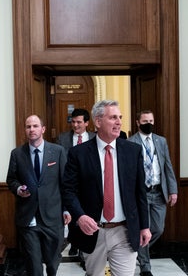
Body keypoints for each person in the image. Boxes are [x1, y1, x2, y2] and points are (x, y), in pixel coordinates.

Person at [62, 99, 151, 276]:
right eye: (113, 117)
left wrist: (144, 226)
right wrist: (79, 216)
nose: (119, 122)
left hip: (124, 230)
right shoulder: (78, 153)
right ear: (98, 121)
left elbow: (140, 192)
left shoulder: (133, 151)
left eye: (120, 117)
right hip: (94, 230)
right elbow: (68, 191)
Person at [6, 115, 71, 276]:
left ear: (43, 129)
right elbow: (11, 179)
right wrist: (18, 189)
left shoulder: (57, 152)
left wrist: (66, 209)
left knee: (51, 263)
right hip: (28, 218)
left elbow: (66, 183)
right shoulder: (17, 154)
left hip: (53, 216)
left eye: (35, 126)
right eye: (28, 127)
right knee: (34, 266)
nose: (31, 130)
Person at [128, 109, 178, 276]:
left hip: (158, 192)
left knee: (157, 229)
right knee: (144, 229)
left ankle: (137, 249)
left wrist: (173, 190)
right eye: (144, 121)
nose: (148, 124)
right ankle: (145, 267)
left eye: (151, 121)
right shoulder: (130, 142)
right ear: (137, 123)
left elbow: (167, 166)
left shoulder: (161, 141)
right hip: (141, 194)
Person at [56, 108, 96, 258]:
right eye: (73, 122)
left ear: (86, 123)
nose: (75, 125)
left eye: (79, 122)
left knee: (85, 216)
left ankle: (82, 250)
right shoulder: (62, 138)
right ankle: (74, 242)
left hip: (88, 184)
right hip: (70, 183)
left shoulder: (94, 137)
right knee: (72, 215)